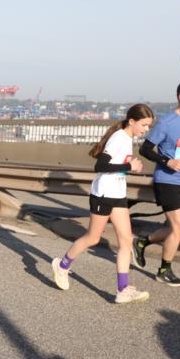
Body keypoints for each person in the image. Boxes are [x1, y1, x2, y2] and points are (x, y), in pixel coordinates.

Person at [52, 105, 155, 303]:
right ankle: (62, 265)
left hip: (118, 195)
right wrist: (129, 166)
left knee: (126, 241)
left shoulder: (127, 138)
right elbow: (100, 166)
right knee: (92, 238)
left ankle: (123, 290)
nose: (146, 129)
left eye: (148, 126)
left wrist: (129, 167)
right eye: (144, 125)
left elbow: (115, 166)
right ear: (132, 121)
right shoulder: (118, 138)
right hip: (103, 194)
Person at [133, 79, 180, 286]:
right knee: (177, 229)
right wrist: (168, 161)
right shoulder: (167, 122)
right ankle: (164, 270)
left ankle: (142, 241)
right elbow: (145, 149)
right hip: (166, 180)